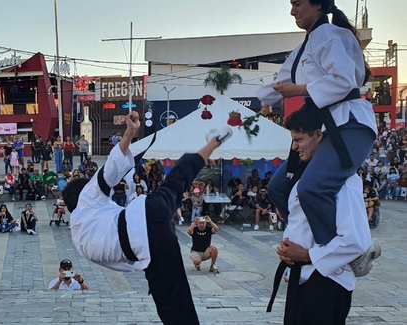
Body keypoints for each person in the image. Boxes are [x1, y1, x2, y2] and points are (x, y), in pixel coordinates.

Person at [62, 111, 232, 325]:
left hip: (147, 246)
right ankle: (213, 143)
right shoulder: (87, 196)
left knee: (176, 305)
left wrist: (151, 269)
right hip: (147, 211)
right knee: (177, 178)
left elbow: (119, 261)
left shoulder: (79, 241)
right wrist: (128, 134)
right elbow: (110, 171)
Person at [256, 0, 377, 249]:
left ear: (318, 5)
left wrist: (298, 90)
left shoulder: (333, 35)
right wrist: (263, 101)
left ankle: (336, 250)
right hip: (320, 126)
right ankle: (305, 238)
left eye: (298, 3)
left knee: (312, 188)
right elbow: (281, 82)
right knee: (279, 188)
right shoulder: (304, 47)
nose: (292, 11)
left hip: (350, 124)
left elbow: (343, 81)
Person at [266, 105, 380, 325]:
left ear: (319, 135)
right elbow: (299, 222)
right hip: (302, 279)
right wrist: (288, 249)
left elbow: (355, 241)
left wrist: (306, 255)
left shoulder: (344, 182)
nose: (294, 147)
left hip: (328, 284)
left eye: (299, 139)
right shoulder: (305, 179)